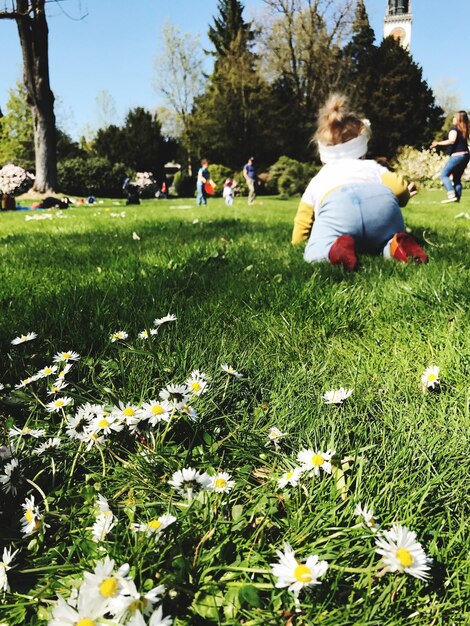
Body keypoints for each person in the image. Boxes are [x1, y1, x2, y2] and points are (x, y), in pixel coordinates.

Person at [292, 93, 427, 271]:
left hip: (339, 213)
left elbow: (304, 216)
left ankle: (332, 252)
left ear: (323, 156)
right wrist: (405, 196)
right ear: (362, 150)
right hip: (382, 211)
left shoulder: (321, 178)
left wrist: (298, 242)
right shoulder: (373, 167)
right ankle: (394, 246)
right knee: (384, 241)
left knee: (314, 253)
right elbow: (400, 189)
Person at [431, 111, 469, 203]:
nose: (453, 119)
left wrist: (438, 143)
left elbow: (452, 140)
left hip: (457, 155)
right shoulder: (464, 130)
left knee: (444, 175)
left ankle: (451, 194)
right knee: (457, 178)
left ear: (459, 119)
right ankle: (457, 199)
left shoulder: (454, 128)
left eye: (455, 117)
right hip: (466, 155)